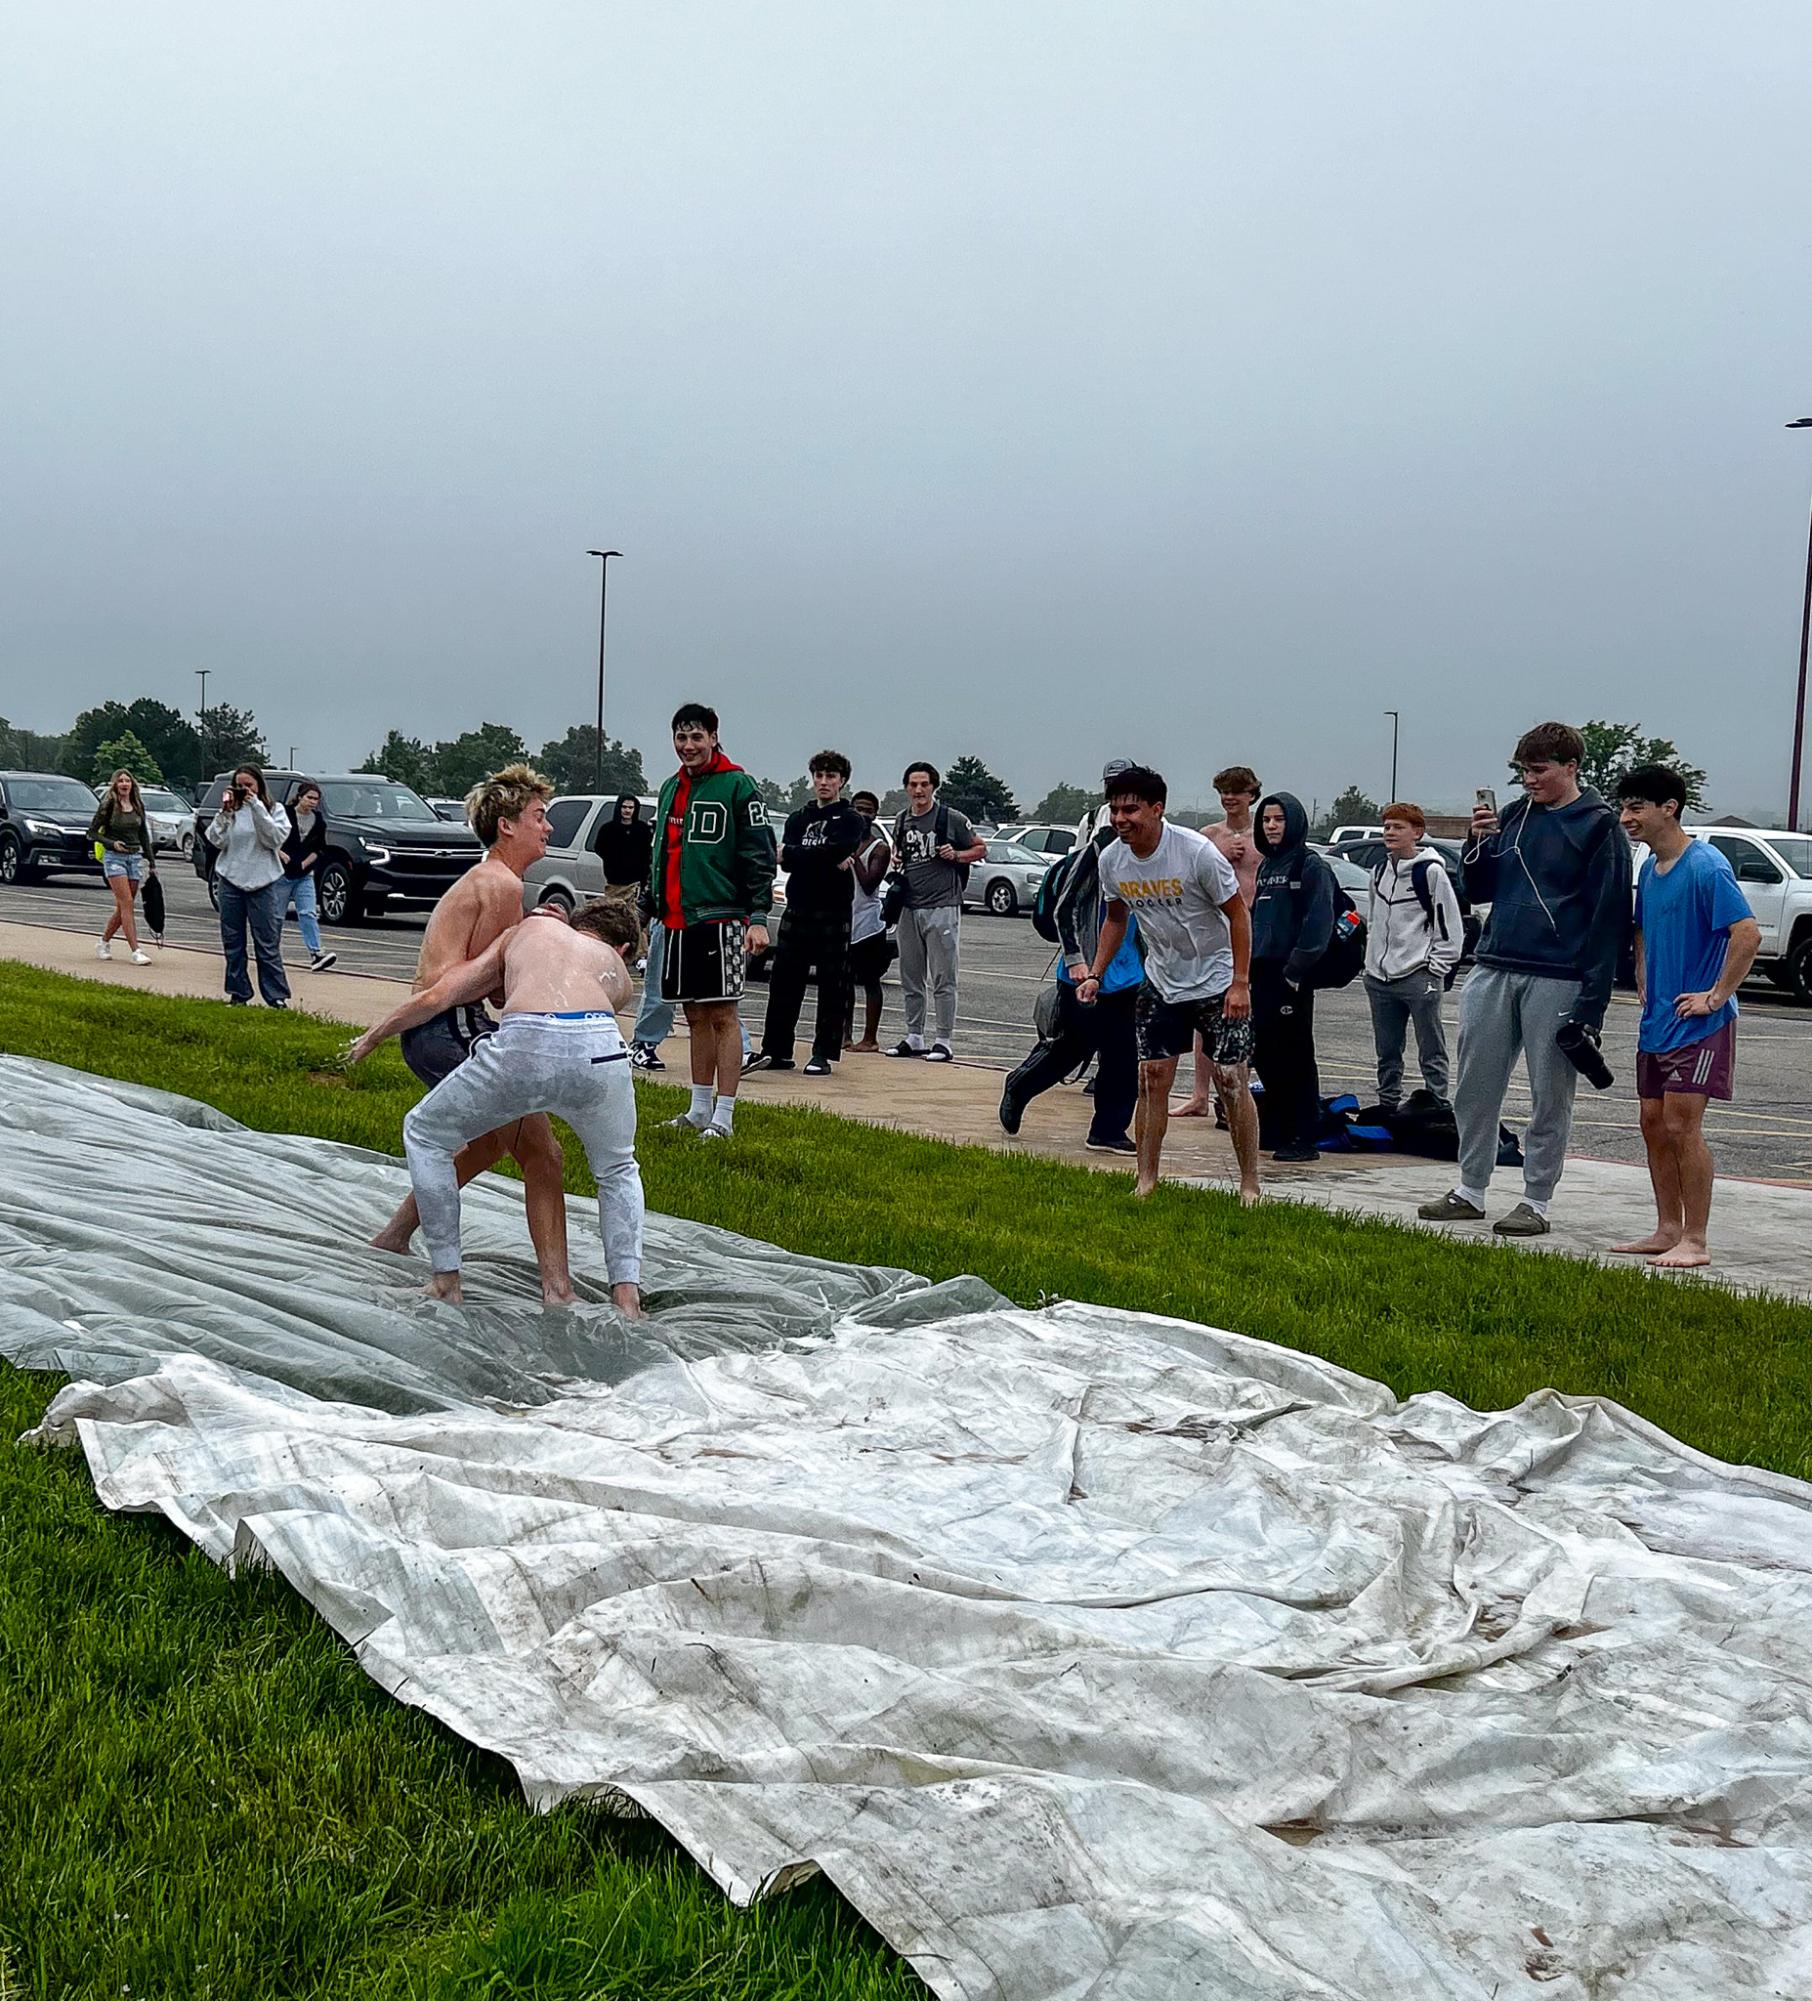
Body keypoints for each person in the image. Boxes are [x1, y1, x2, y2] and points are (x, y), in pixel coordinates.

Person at [347, 899, 645, 1316]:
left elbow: (439, 995)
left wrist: (375, 1035)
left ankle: (446, 1280)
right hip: (602, 1052)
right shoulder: (618, 973)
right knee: (617, 1169)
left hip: (526, 1043)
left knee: (425, 1132)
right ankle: (627, 1298)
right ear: (626, 950)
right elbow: (577, 1020)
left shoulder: (525, 930)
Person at [368, 762, 573, 1303]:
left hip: (438, 1030)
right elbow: (493, 986)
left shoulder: (492, 880)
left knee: (484, 1145)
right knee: (542, 1154)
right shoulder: (502, 883)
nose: (547, 828)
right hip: (451, 1027)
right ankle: (557, 1288)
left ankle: (393, 1237)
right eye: (538, 816)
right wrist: (547, 935)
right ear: (507, 825)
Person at [1419, 721, 1632, 1237]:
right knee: (1473, 1086)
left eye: (1538, 771)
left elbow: (1610, 919)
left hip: (1559, 974)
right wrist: (1476, 843)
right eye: (1522, 772)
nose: (1529, 781)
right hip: (1496, 962)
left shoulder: (1600, 826)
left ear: (1571, 767)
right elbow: (1480, 888)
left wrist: (1592, 1005)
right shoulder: (1515, 816)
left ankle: (1536, 1200)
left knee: (1549, 1095)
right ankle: (1470, 1188)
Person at [1082, 764, 1258, 1201]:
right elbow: (1116, 919)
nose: (1121, 819)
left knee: (1231, 1081)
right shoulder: (1112, 860)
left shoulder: (1196, 852)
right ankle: (1146, 1180)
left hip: (1216, 980)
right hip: (1162, 980)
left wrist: (1240, 983)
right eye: (1115, 810)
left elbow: (1238, 914)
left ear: (1157, 809)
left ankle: (1249, 1184)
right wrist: (1095, 973)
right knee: (1152, 1078)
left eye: (1132, 809)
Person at [1611, 765, 1760, 1269]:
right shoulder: (1651, 871)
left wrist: (1715, 997)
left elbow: (1747, 934)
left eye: (1636, 807)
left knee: (1681, 1125)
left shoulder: (1706, 866)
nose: (1626, 817)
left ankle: (1695, 1239)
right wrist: (1643, 976)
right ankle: (1666, 1228)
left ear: (1668, 808)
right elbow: (1643, 932)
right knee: (1652, 1122)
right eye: (1624, 808)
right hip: (1658, 1021)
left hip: (1700, 1025)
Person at [999, 764, 1142, 1154]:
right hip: (1083, 972)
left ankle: (1108, 1130)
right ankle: (1020, 1085)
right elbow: (1064, 911)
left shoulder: (1153, 849)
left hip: (1127, 972)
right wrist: (1076, 959)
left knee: (1123, 1057)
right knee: (1070, 1050)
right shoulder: (1098, 851)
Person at [651, 702, 776, 1138]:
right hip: (676, 921)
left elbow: (759, 855)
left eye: (696, 737)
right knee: (694, 1014)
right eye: (681, 738)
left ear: (714, 737)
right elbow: (663, 855)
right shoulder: (670, 788)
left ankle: (725, 1115)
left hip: (721, 918)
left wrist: (757, 916)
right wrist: (650, 906)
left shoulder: (739, 786)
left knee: (723, 1013)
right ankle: (698, 1108)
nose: (688, 746)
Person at [747, 750, 864, 1076]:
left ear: (842, 781)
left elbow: (837, 850)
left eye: (831, 776)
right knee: (784, 982)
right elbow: (782, 856)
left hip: (833, 912)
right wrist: (812, 855)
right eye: (819, 776)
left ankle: (823, 1053)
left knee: (831, 985)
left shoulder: (851, 818)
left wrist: (803, 854)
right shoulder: (800, 818)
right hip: (798, 907)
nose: (824, 782)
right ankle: (776, 1050)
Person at [1249, 792, 1337, 1162]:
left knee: (1295, 1055)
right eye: (1267, 820)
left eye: (1279, 820)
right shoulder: (1267, 867)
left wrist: (1296, 969)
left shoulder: (1310, 866)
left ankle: (1304, 1134)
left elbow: (1319, 922)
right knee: (1265, 1052)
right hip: (1262, 971)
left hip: (1291, 975)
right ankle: (1279, 1125)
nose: (1271, 826)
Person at [1176, 764, 1262, 1119]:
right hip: (1215, 931)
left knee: (1243, 1013)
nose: (1229, 798)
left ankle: (1238, 1091)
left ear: (1250, 795)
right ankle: (1199, 1094)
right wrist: (1221, 858)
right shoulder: (1208, 836)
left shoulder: (1266, 834)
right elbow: (1187, 879)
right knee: (1205, 1016)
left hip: (1252, 928)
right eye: (1224, 792)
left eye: (1236, 792)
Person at [1363, 802, 1461, 1110]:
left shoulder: (1430, 872)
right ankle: (1387, 1104)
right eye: (1387, 827)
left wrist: (1435, 969)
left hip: (1418, 975)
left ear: (1417, 833)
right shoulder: (1379, 870)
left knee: (1430, 1047)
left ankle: (1437, 1102)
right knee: (1387, 1049)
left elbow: (1449, 926)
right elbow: (1375, 922)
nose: (1390, 832)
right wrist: (1371, 962)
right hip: (1379, 978)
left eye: (1398, 827)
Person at [887, 762, 985, 1061]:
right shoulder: (902, 820)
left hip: (942, 905)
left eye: (924, 784)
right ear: (906, 787)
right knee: (910, 975)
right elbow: (899, 852)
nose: (918, 790)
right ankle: (914, 1035)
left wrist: (957, 855)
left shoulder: (950, 818)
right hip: (909, 905)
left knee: (944, 976)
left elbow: (980, 848)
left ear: (933, 787)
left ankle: (943, 1039)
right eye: (913, 784)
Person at [205, 764, 292, 1009]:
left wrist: (256, 806)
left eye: (249, 786)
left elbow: (273, 838)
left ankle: (276, 995)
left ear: (259, 786)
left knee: (267, 941)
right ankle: (238, 992)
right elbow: (216, 840)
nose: (244, 790)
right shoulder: (231, 811)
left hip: (262, 882)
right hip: (231, 880)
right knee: (233, 940)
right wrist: (224, 813)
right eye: (239, 786)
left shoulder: (274, 810)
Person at [842, 790, 894, 1051]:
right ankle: (845, 1034)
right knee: (844, 980)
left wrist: (852, 857)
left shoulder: (880, 848)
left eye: (868, 810)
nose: (863, 815)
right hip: (845, 920)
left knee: (870, 980)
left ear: (875, 815)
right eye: (858, 809)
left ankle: (870, 1038)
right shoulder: (843, 840)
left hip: (869, 924)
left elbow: (869, 883)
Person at [88, 768, 155, 967]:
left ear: (132, 785)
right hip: (114, 858)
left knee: (123, 906)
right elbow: (92, 832)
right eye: (120, 781)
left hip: (134, 857)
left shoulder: (137, 805)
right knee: (126, 902)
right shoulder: (108, 806)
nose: (124, 784)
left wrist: (151, 862)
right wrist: (111, 843)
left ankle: (103, 941)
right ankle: (136, 950)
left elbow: (143, 834)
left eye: (127, 781)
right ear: (115, 785)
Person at [280, 779, 339, 974]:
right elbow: (271, 838)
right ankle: (269, 951)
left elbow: (319, 848)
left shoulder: (318, 821)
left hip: (304, 874)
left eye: (316, 799)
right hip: (281, 873)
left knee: (307, 913)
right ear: (299, 797)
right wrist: (281, 855)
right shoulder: (285, 814)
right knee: (276, 915)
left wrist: (305, 863)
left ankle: (316, 953)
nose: (313, 802)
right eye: (309, 797)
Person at [594, 793, 653, 919]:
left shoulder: (642, 830)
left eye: (631, 808)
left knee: (634, 921)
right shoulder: (608, 829)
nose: (627, 810)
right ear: (619, 808)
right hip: (615, 884)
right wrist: (615, 861)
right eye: (624, 807)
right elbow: (599, 848)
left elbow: (649, 853)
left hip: (636, 886)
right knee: (613, 919)